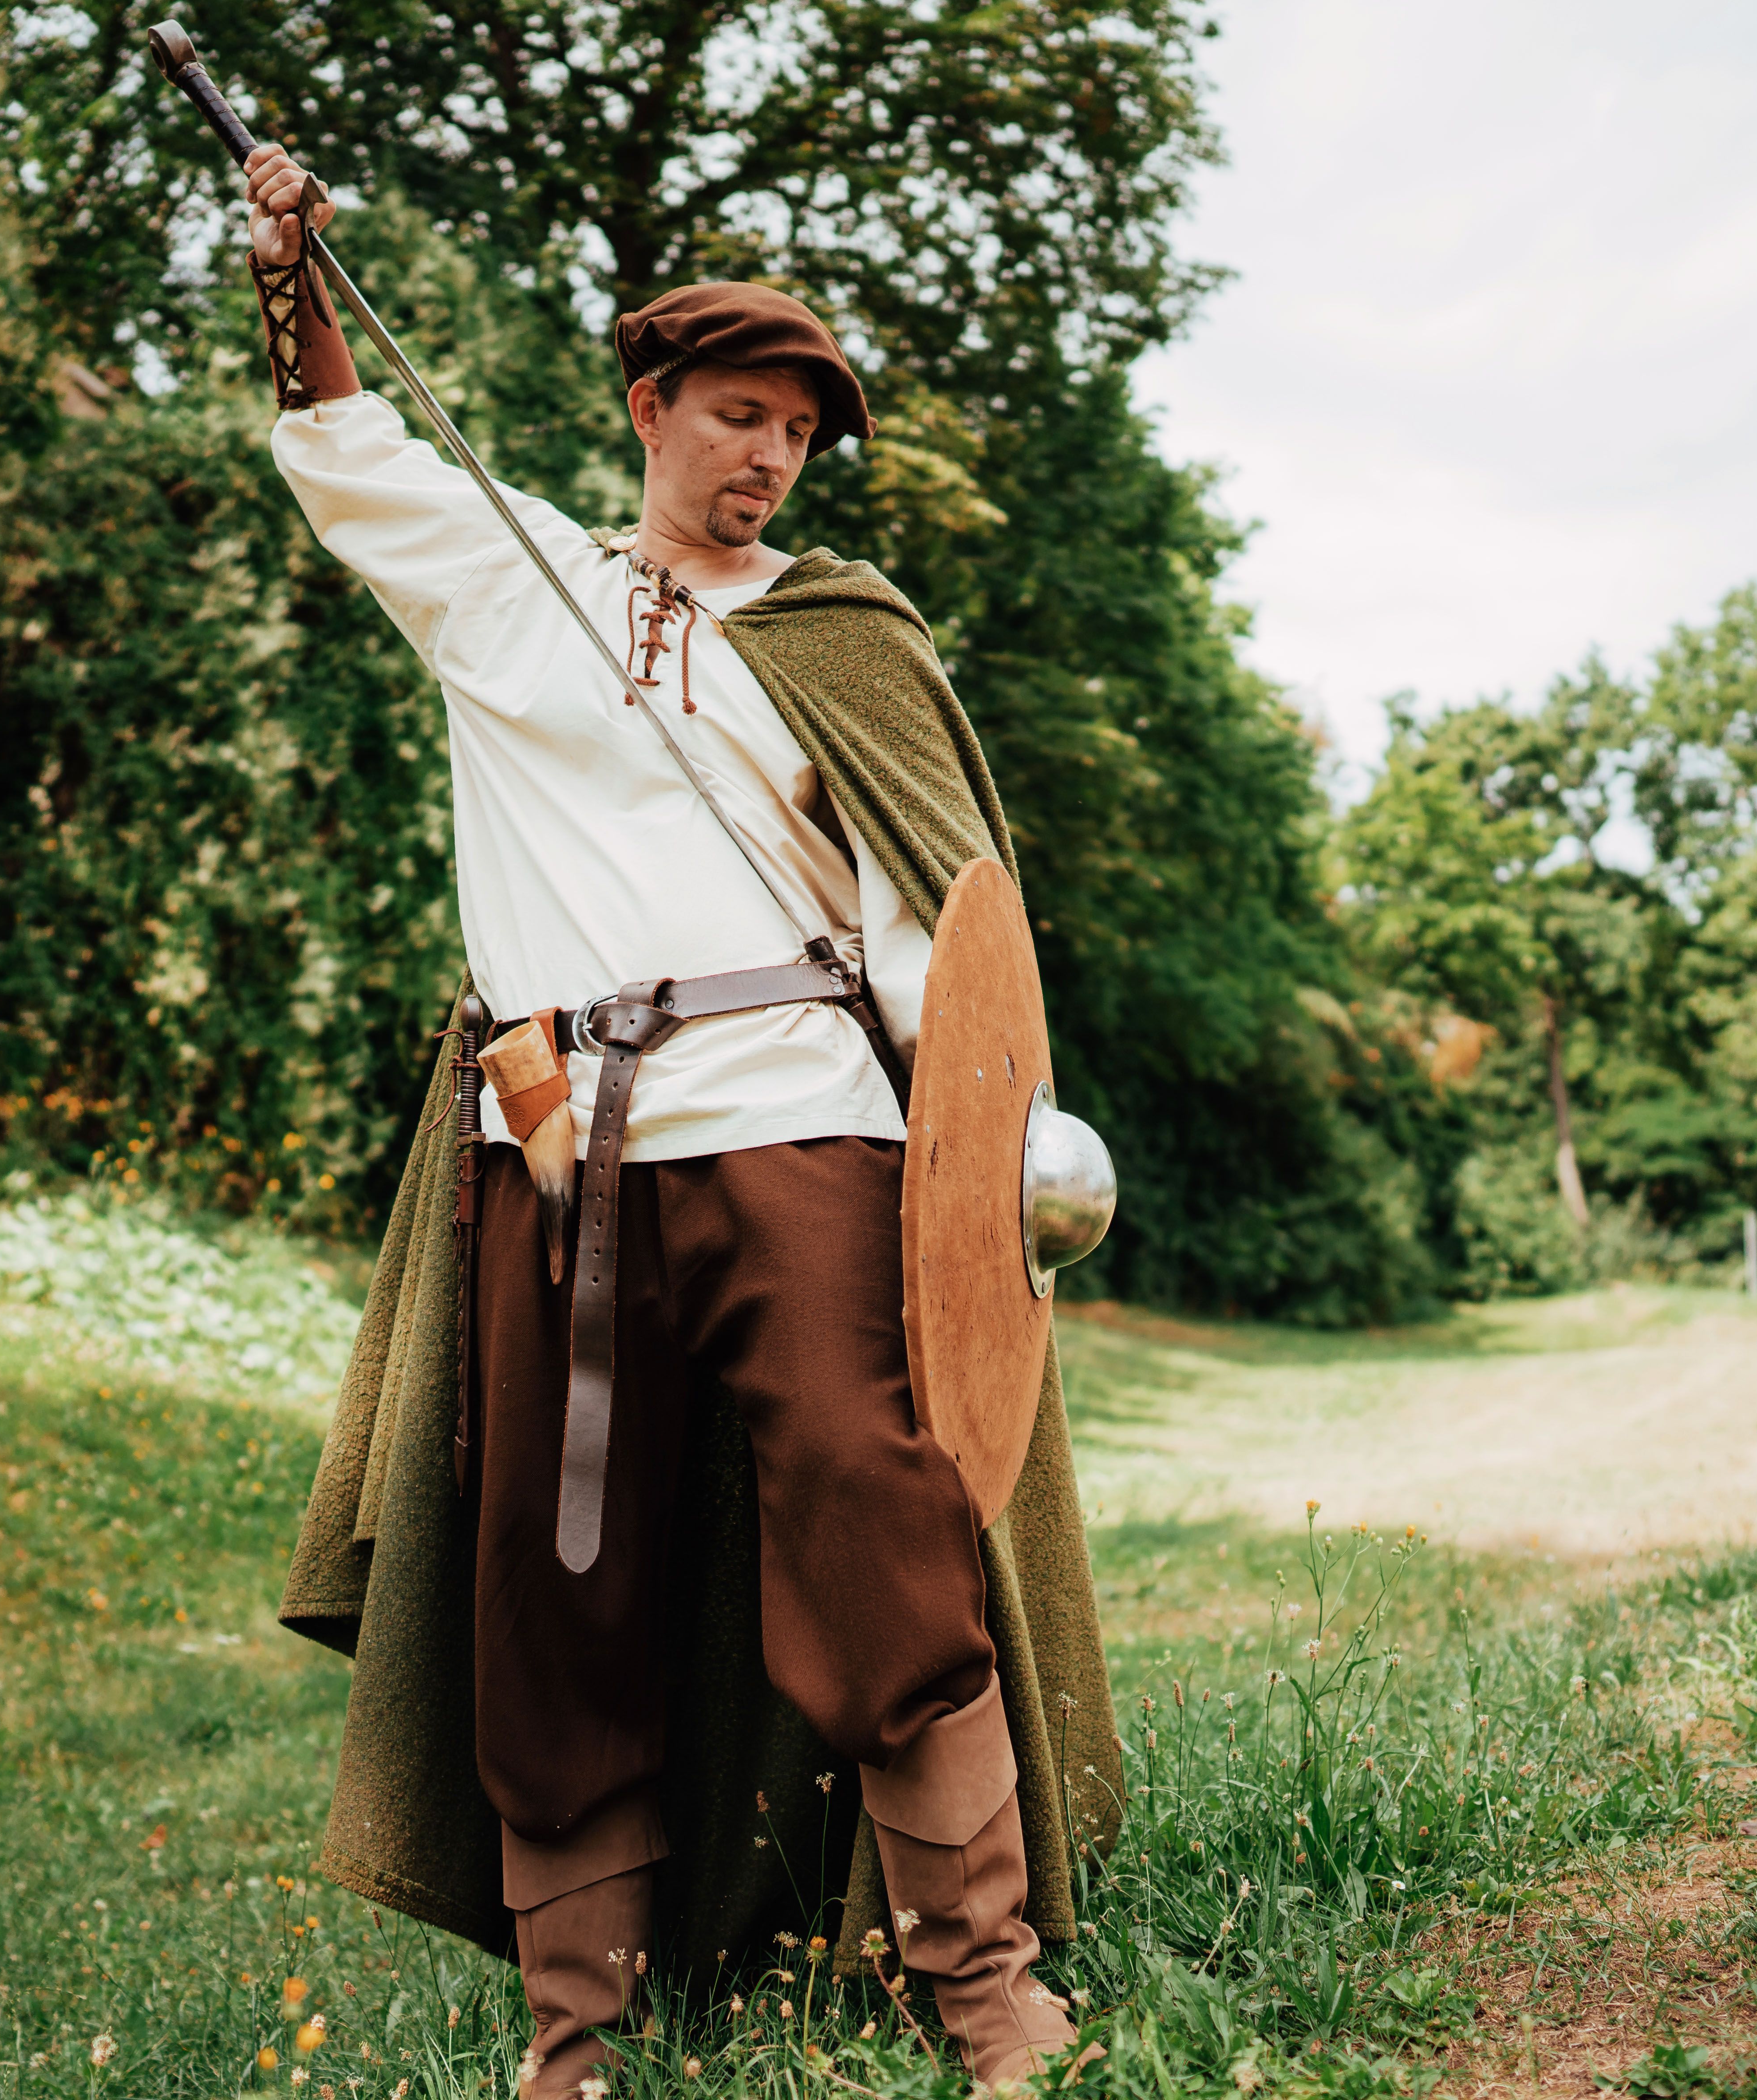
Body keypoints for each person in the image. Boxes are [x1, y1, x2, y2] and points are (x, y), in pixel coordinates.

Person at [240, 146, 1121, 2095]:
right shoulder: (510, 581)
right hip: (558, 1147)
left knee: (879, 1513)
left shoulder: (844, 635)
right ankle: (576, 2042)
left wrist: (990, 1157)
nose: (769, 460)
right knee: (556, 1583)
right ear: (649, 410)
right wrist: (292, 266)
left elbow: (930, 934)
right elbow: (341, 430)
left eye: (799, 433)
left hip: (805, 1124)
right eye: (739, 417)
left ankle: (984, 1986)